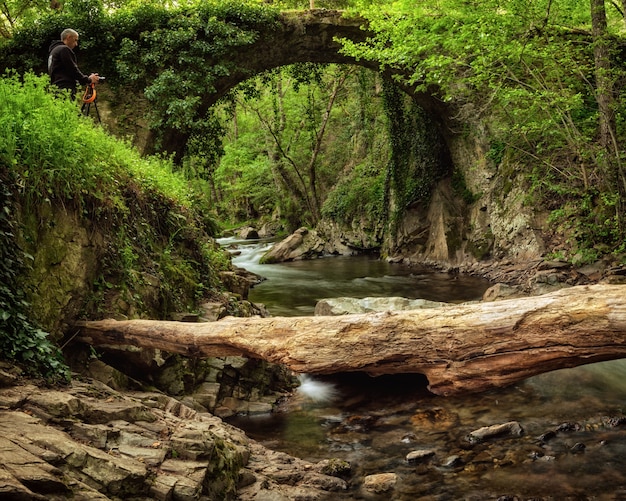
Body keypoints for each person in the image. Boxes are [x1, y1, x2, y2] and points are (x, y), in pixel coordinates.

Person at [48, 28, 99, 97]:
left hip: (55, 89)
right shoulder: (64, 49)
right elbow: (73, 70)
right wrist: (89, 80)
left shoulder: (53, 52)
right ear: (69, 37)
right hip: (65, 89)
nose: (76, 44)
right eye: (75, 40)